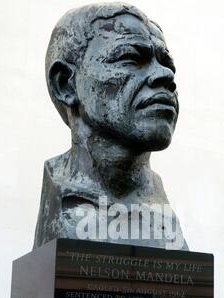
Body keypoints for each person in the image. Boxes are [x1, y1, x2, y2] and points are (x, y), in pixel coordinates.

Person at [34, 2, 187, 250]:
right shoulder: (64, 196)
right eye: (130, 58)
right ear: (66, 85)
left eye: (166, 64)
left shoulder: (162, 214)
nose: (165, 76)